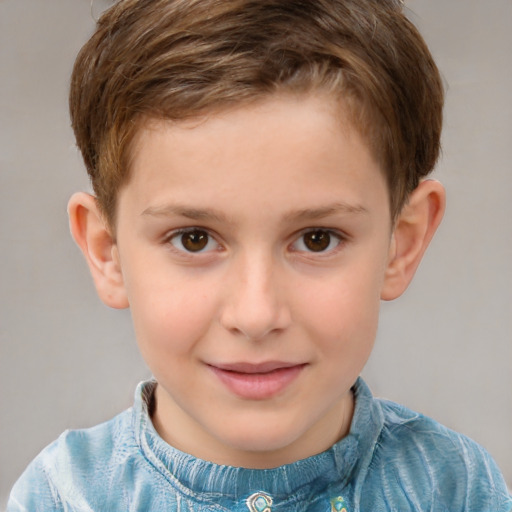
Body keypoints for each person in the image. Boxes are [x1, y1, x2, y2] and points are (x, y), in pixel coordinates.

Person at [8, 0, 512, 510]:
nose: (256, 315)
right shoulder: (63, 497)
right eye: (194, 239)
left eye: (317, 238)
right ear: (107, 252)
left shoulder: (452, 488)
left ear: (400, 244)